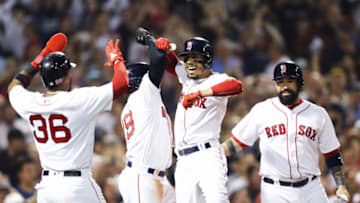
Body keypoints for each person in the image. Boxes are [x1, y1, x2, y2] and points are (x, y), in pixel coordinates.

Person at [7, 32, 128, 202]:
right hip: (77, 185)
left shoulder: (30, 102)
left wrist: (41, 57)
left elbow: (14, 86)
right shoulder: (78, 100)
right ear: (65, 78)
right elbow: (122, 83)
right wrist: (116, 58)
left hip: (47, 188)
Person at [222, 61, 350, 203]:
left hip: (311, 187)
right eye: (280, 81)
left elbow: (332, 152)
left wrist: (341, 185)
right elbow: (238, 142)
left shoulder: (318, 114)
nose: (285, 86)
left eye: (290, 81)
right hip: (276, 189)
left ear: (300, 83)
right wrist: (215, 152)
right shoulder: (262, 110)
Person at [165, 36, 243, 202]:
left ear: (208, 60)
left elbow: (237, 86)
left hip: (207, 154)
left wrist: (200, 93)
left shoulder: (217, 79)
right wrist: (160, 47)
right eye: (187, 58)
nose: (190, 63)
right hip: (183, 160)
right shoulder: (187, 79)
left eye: (196, 59)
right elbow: (171, 64)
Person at [118, 27, 175, 203]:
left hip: (155, 177)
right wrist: (150, 39)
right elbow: (158, 57)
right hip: (143, 177)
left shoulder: (142, 103)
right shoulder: (143, 95)